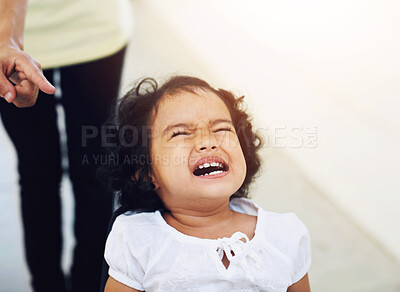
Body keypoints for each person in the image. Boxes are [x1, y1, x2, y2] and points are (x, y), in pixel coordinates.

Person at [100, 76, 312, 291]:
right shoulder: (137, 240)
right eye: (180, 133)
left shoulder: (285, 235)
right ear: (145, 172)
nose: (208, 142)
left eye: (222, 129)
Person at [0, 0, 133, 291]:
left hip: (94, 28)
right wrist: (6, 35)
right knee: (36, 171)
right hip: (6, 42)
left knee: (97, 171)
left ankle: (92, 283)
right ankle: (45, 284)